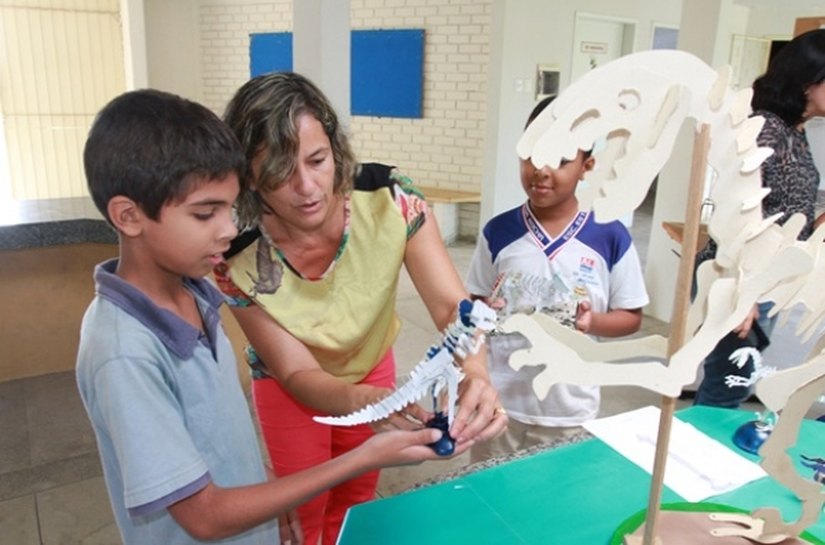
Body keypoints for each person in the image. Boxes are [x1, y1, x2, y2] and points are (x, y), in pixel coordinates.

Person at [76, 88, 469, 545]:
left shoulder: (193, 296)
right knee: (311, 516)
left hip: (249, 521)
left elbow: (218, 437)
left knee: (347, 513)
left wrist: (260, 480)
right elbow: (204, 516)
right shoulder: (124, 352)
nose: (228, 230)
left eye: (318, 161)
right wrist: (362, 457)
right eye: (206, 214)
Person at [214, 72, 507, 545]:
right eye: (280, 173)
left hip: (371, 365)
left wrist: (475, 371)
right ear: (249, 177)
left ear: (336, 148)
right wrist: (360, 403)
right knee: (303, 514)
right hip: (291, 390)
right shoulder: (234, 255)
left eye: (317, 160)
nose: (307, 187)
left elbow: (450, 308)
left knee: (356, 501)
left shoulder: (391, 199)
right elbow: (296, 373)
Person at [464, 96, 649, 463]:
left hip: (569, 407)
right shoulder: (498, 232)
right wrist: (483, 311)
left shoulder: (609, 235)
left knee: (558, 489)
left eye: (561, 159)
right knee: (491, 486)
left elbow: (631, 316)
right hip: (501, 402)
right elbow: (475, 302)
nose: (541, 170)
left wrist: (593, 322)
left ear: (586, 166)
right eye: (532, 155)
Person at [693, 28, 825, 408]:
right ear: (809, 81)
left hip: (764, 281)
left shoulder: (795, 132)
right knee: (727, 386)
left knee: (733, 382)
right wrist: (743, 292)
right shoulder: (767, 130)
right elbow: (739, 214)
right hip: (738, 278)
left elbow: (789, 214)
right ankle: (697, 443)